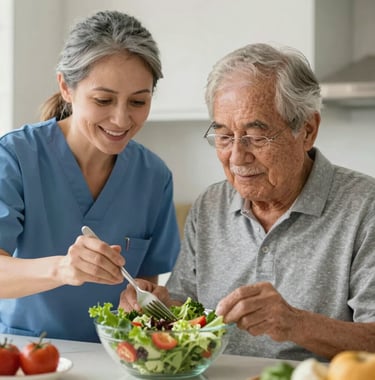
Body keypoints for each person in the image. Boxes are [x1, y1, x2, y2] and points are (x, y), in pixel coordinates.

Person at [119, 43, 375, 361]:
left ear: (307, 130)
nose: (237, 156)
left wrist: (296, 324)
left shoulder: (366, 208)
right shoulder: (210, 205)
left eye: (256, 136)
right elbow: (184, 312)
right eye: (224, 136)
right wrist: (155, 304)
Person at [0, 10, 180, 342]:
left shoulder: (154, 177)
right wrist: (64, 269)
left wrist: (144, 296)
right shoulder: (15, 158)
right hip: (27, 355)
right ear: (66, 87)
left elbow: (144, 283)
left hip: (117, 358)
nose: (121, 119)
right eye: (103, 100)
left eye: (138, 101)